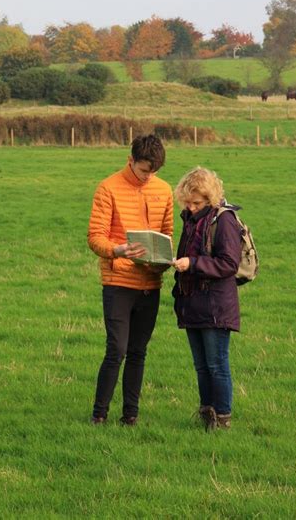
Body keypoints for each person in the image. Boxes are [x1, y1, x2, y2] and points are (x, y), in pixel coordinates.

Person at [88, 134, 174, 425]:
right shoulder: (107, 188)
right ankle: (99, 415)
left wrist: (162, 263)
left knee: (139, 352)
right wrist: (118, 250)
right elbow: (95, 236)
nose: (149, 177)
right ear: (130, 160)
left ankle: (131, 417)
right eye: (144, 170)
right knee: (117, 350)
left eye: (154, 172)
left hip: (150, 284)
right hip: (118, 282)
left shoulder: (164, 190)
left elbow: (168, 233)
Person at [172, 166, 242, 431]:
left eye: (196, 202)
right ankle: (206, 414)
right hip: (192, 302)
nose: (190, 207)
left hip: (215, 305)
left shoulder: (223, 220)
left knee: (216, 364)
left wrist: (192, 263)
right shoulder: (190, 220)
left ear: (210, 198)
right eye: (187, 202)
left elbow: (228, 263)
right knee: (201, 366)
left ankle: (223, 418)